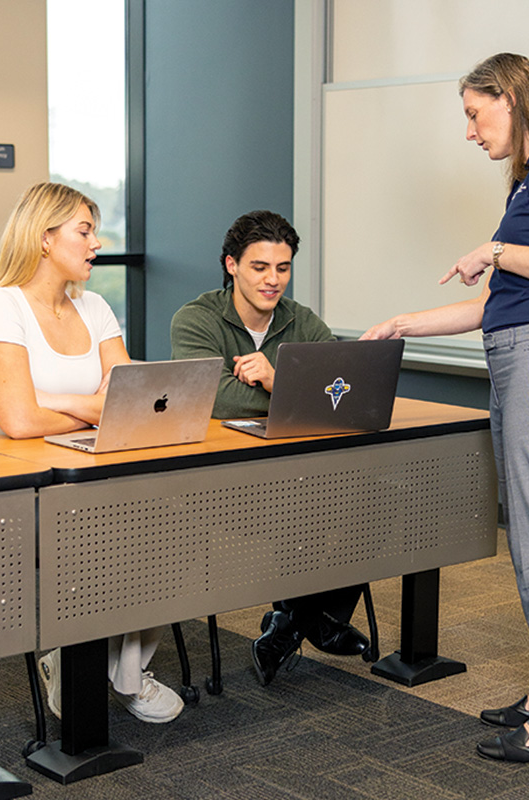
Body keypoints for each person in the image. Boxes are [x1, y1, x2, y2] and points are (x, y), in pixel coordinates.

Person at [362, 53, 529, 762]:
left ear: (511, 96)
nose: (471, 132)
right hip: (527, 358)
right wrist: (405, 321)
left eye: (476, 113)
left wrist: (497, 247)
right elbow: (494, 310)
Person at [0, 182, 183, 724]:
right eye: (84, 231)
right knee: (117, 537)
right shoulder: (2, 307)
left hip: (88, 473)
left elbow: (133, 402)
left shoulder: (94, 307)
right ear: (44, 238)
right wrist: (92, 405)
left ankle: (111, 669)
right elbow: (18, 422)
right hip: (14, 491)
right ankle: (80, 662)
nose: (96, 244)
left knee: (176, 525)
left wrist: (56, 401)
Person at [170, 209, 370, 685]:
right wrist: (297, 394)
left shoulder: (301, 320)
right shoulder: (196, 320)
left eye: (282, 268)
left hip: (299, 472)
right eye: (259, 267)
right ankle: (314, 618)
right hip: (226, 478)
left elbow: (344, 392)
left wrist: (275, 379)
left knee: (371, 496)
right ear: (232, 265)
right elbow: (213, 397)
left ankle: (293, 620)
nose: (272, 280)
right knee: (315, 504)